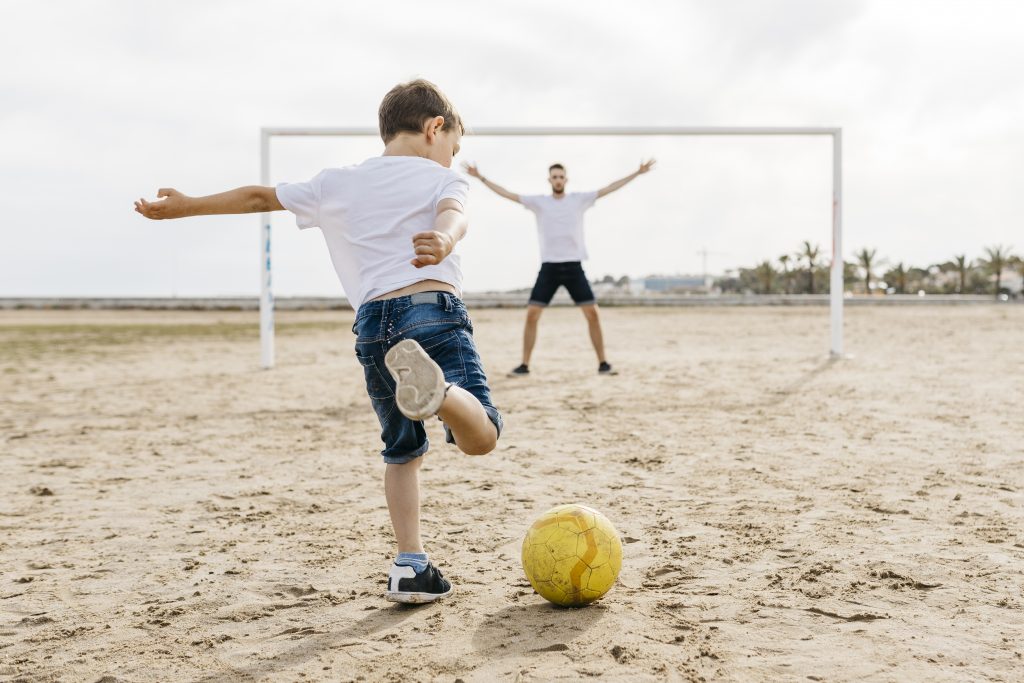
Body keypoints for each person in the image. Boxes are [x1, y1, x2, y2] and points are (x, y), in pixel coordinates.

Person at [135, 79, 501, 604]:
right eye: (453, 148)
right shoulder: (442, 179)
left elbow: (260, 196)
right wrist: (444, 238)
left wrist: (188, 205)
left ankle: (410, 565)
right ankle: (439, 395)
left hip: (375, 326)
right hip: (431, 312)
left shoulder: (336, 182)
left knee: (401, 452)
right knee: (482, 436)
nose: (451, 159)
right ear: (434, 128)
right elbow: (454, 214)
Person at [463, 159, 655, 376]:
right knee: (532, 314)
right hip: (549, 267)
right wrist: (480, 177)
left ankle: (603, 363)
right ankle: (524, 365)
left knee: (593, 313)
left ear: (566, 179)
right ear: (549, 180)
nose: (558, 180)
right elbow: (508, 194)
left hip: (574, 266)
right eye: (554, 177)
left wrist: (637, 173)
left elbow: (609, 188)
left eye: (561, 176)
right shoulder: (540, 202)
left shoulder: (578, 200)